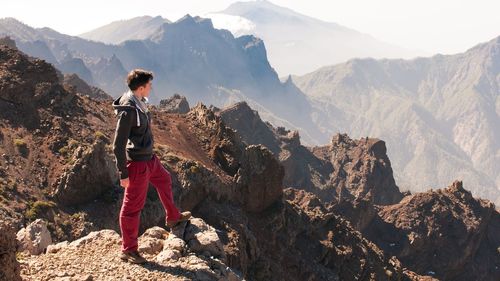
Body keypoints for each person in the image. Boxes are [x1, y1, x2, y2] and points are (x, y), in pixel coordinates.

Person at [112, 69, 191, 264]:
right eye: (149, 85)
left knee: (164, 179)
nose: (151, 88)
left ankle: (173, 217)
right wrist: (123, 173)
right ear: (141, 88)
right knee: (132, 208)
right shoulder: (129, 110)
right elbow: (117, 144)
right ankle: (129, 250)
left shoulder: (139, 103)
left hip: (149, 159)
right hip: (137, 164)